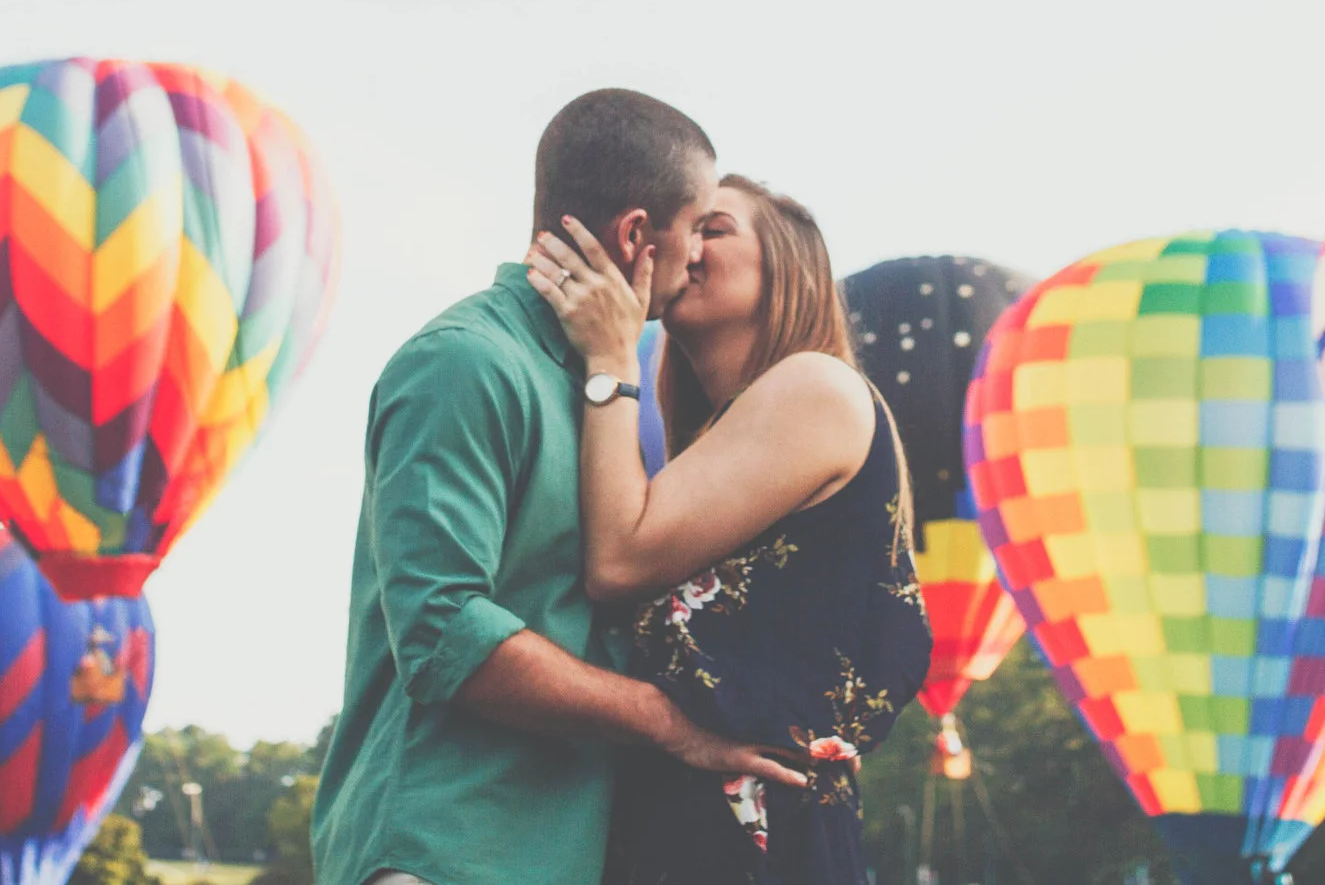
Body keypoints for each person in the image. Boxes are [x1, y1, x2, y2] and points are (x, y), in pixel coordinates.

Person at [312, 90, 807, 885]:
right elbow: (443, 630)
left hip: (555, 850)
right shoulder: (463, 362)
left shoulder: (612, 390)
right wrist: (667, 721)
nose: (696, 261)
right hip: (440, 850)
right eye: (697, 229)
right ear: (639, 234)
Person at [527, 174, 933, 884]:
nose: (682, 246)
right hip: (681, 820)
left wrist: (610, 356)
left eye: (712, 228)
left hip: (749, 833)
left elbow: (618, 561)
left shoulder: (815, 384)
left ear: (788, 267)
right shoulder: (714, 439)